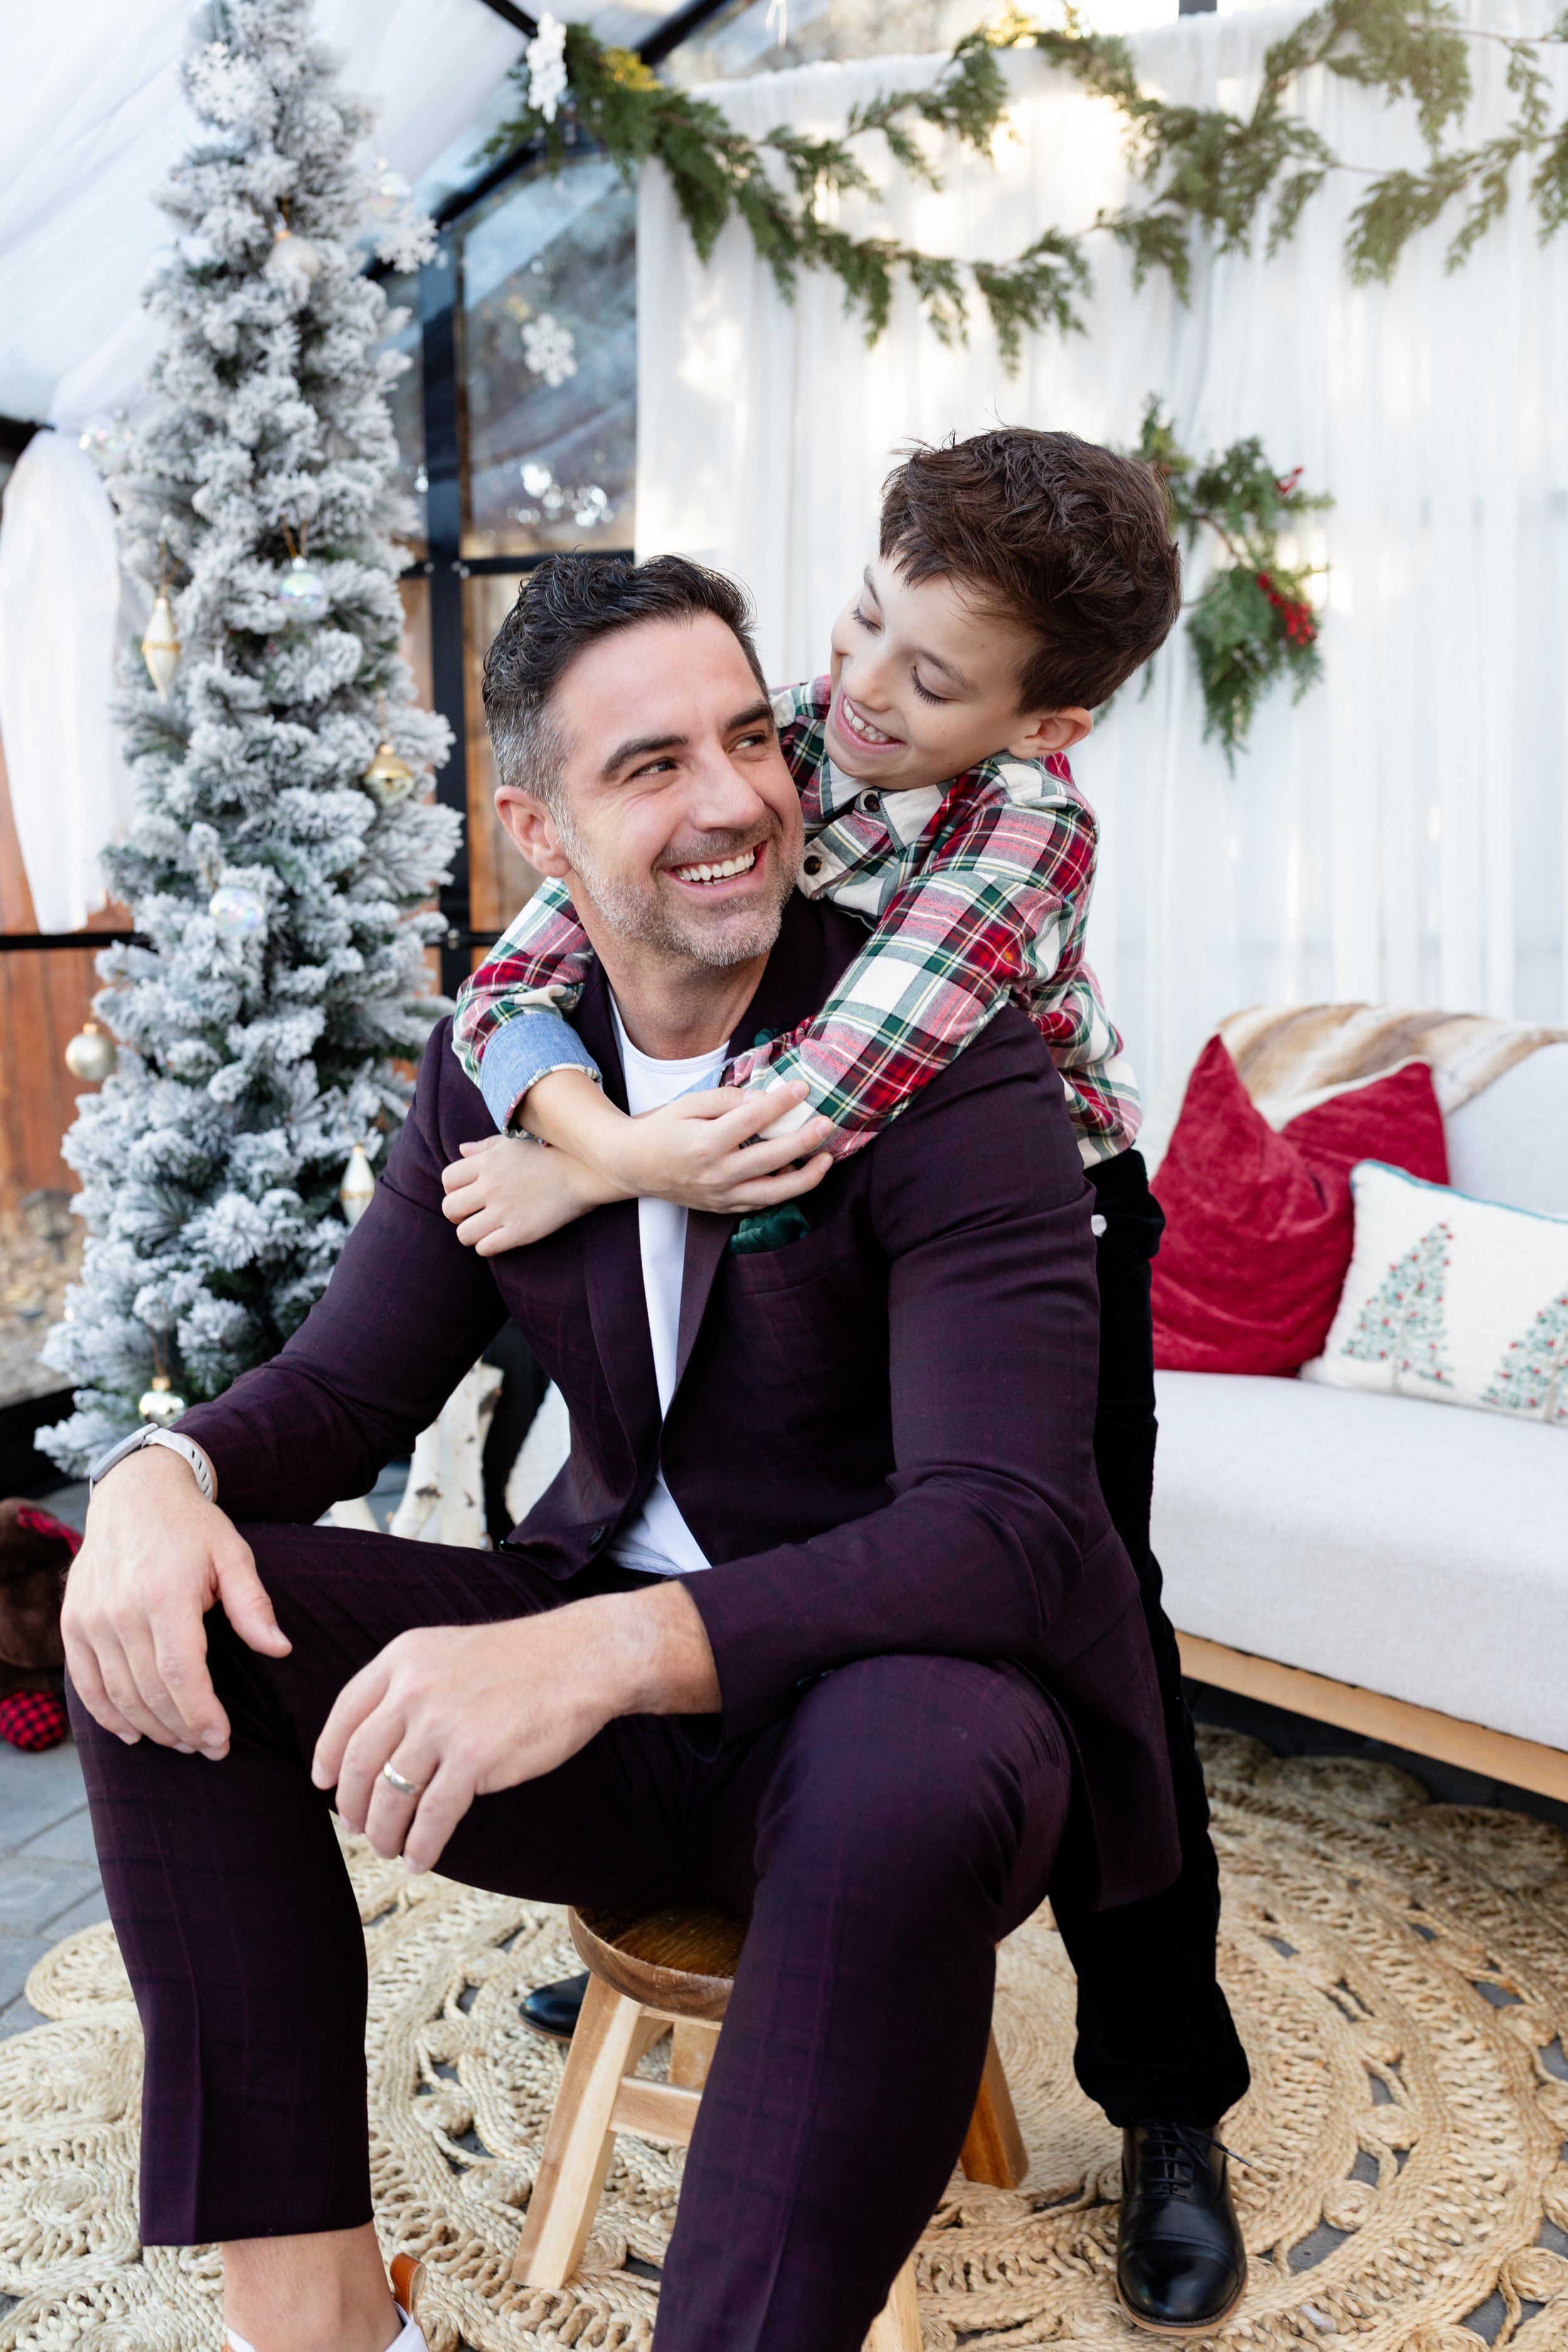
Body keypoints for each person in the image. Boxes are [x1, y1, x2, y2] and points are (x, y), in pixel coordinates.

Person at [65, 555, 1190, 2352]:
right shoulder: (513, 1061)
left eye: (752, 737)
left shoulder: (936, 1051)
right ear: (538, 829)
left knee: (910, 1756)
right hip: (610, 1725)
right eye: (651, 765)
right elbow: (347, 1392)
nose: (738, 797)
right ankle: (321, 2319)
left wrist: (596, 1651)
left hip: (889, 1701)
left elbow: (1008, 1535)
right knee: (158, 1619)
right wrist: (153, 1478)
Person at [443, 437, 1252, 2329]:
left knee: (1088, 1638)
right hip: (791, 1221)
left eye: (930, 679)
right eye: (862, 624)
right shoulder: (788, 736)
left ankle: (1166, 2104)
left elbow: (822, 1091)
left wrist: (582, 1158)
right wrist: (599, 1137)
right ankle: (767, 1889)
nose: (861, 695)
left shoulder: (1026, 828)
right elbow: (508, 986)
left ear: (1047, 720)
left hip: (1021, 1238)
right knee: (758, 1543)